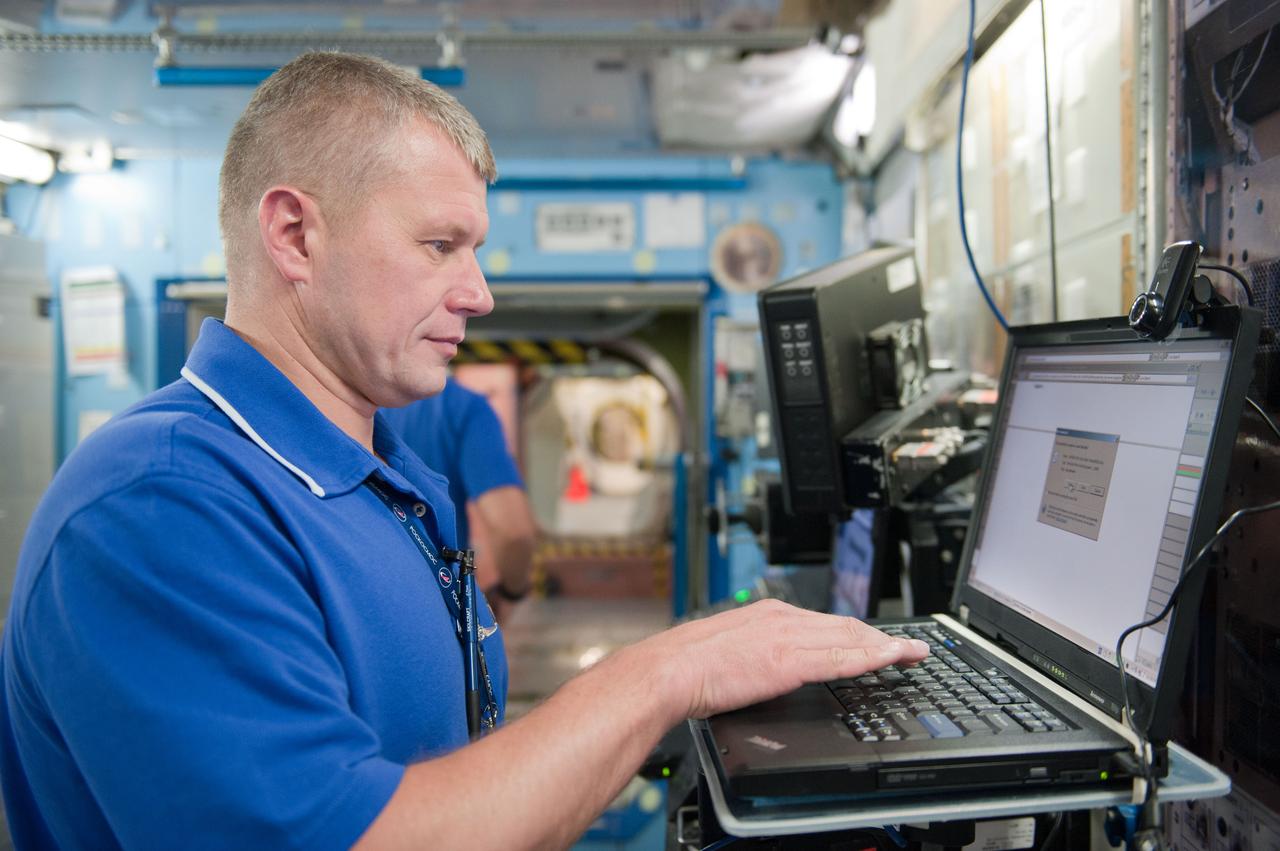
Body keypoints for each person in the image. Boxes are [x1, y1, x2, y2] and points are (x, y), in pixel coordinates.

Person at [0, 52, 929, 850]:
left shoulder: (388, 470)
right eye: (440, 244)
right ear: (293, 234)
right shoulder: (160, 505)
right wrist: (665, 673)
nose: (479, 293)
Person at [382, 377, 536, 617]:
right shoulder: (461, 407)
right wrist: (511, 593)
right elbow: (514, 533)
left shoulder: (340, 405)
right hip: (438, 608)